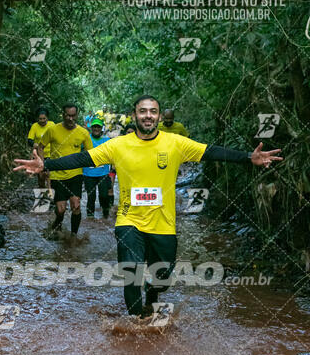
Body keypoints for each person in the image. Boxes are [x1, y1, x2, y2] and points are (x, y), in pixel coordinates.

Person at [14, 95, 283, 317]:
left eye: (153, 111)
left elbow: (210, 151)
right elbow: (82, 158)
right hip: (129, 221)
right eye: (143, 111)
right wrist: (45, 165)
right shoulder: (117, 145)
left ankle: (152, 293)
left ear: (158, 116)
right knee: (131, 274)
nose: (148, 115)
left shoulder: (175, 143)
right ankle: (136, 322)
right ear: (134, 116)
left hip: (163, 223)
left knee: (162, 277)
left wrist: (249, 157)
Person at [39, 103, 92, 235]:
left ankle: (73, 237)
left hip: (75, 175)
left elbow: (91, 153)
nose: (70, 119)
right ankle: (56, 224)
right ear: (62, 115)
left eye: (73, 116)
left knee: (76, 206)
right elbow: (40, 147)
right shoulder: (53, 130)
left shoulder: (83, 133)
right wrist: (42, 165)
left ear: (77, 115)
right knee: (61, 210)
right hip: (57, 175)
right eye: (67, 115)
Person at [83, 118, 111, 219]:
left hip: (103, 173)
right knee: (91, 196)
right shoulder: (86, 139)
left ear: (101, 128)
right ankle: (90, 217)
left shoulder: (107, 140)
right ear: (91, 128)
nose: (96, 128)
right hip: (88, 173)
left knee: (104, 195)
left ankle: (106, 212)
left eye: (98, 127)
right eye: (94, 126)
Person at [27, 106, 54, 189]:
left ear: (47, 118)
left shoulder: (52, 125)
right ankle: (42, 192)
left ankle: (51, 194)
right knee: (41, 176)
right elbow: (29, 140)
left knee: (49, 175)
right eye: (40, 119)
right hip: (39, 155)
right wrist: (34, 144)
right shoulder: (34, 126)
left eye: (44, 118)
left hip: (51, 154)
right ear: (37, 119)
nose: (42, 121)